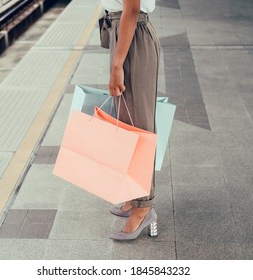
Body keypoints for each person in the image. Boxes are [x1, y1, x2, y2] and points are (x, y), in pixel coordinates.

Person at [100, 0, 161, 240]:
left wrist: (117, 64)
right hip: (125, 32)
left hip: (132, 35)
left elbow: (133, 9)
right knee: (127, 122)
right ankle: (133, 196)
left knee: (139, 127)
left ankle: (143, 207)